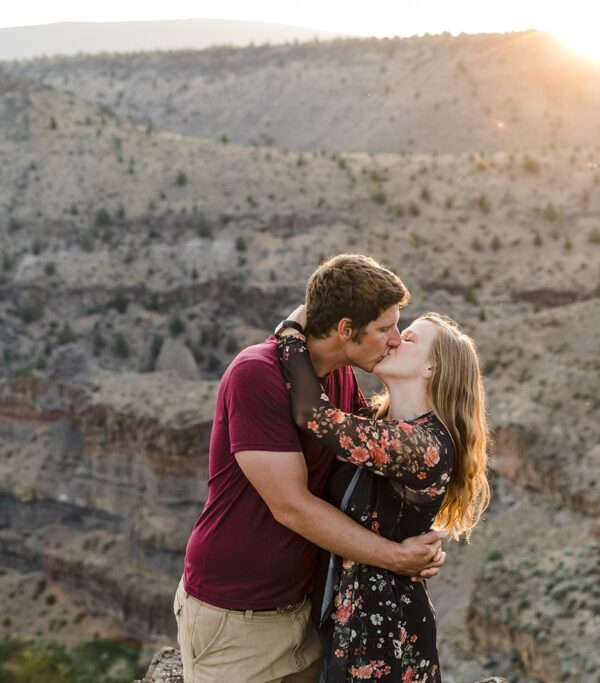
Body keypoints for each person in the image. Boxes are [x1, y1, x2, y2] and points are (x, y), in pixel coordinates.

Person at [175, 255, 447, 683]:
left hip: (308, 614)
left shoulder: (338, 378)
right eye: (384, 328)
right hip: (240, 615)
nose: (394, 340)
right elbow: (292, 507)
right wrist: (398, 558)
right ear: (345, 330)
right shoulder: (256, 374)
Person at [274, 310, 491, 682]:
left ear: (430, 369)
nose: (394, 339)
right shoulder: (380, 424)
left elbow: (315, 415)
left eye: (409, 339)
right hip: (348, 623)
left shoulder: (424, 445)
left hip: (385, 636)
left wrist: (290, 330)